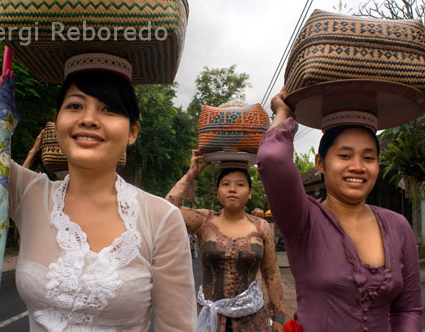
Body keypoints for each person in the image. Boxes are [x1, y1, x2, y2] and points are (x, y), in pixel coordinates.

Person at [0, 6, 197, 331]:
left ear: (133, 131)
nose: (88, 118)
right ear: (58, 122)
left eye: (109, 109)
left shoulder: (162, 220)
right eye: (75, 105)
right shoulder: (26, 193)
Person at [256, 89, 423, 331]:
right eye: (344, 155)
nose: (357, 167)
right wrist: (283, 111)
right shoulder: (302, 219)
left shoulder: (398, 226)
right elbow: (272, 160)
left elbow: (409, 309)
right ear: (320, 163)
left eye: (369, 158)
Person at [166, 150, 285, 332]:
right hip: (211, 320)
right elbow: (168, 209)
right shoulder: (204, 220)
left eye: (240, 184)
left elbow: (271, 272)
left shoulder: (261, 227)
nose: (232, 189)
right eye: (225, 184)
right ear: (218, 191)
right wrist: (192, 173)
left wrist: (278, 316)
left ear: (250, 193)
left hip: (252, 320)